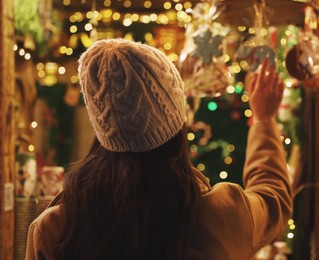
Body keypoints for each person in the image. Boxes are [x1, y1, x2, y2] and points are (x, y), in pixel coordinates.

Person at [26, 38, 292, 260]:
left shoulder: (54, 228)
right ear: (176, 123)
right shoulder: (220, 215)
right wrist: (264, 120)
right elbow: (274, 198)